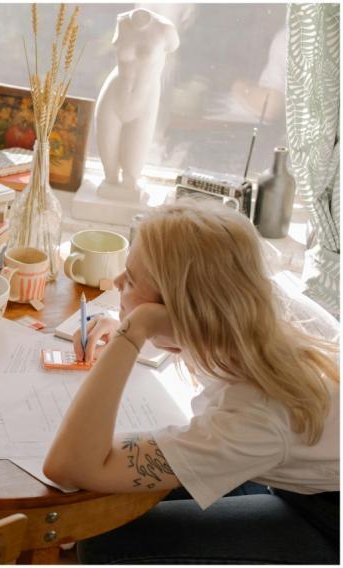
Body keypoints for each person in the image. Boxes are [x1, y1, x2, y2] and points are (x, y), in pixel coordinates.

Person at [43, 201, 339, 564]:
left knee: (109, 541)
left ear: (181, 311)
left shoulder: (256, 416)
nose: (116, 283)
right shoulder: (249, 301)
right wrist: (125, 318)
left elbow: (70, 464)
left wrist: (132, 333)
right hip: (292, 463)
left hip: (325, 517)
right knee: (104, 505)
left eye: (131, 280)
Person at [95, 8, 180, 196]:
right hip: (114, 93)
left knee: (131, 174)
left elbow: (173, 49)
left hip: (145, 97)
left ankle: (129, 182)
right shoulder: (123, 22)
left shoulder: (165, 29)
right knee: (109, 171)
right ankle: (110, 178)